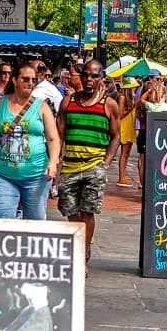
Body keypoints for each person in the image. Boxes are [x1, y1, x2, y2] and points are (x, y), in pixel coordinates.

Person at [0, 62, 61, 220]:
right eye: (26, 79)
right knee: (2, 220)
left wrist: (53, 163)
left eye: (33, 80)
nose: (30, 83)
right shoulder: (0, 105)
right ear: (14, 80)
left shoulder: (42, 107)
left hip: (36, 175)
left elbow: (53, 139)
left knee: (35, 222)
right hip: (4, 175)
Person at [57, 59, 120, 275]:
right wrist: (55, 161)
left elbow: (116, 136)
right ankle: (81, 241)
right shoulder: (67, 102)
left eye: (94, 76)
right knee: (70, 211)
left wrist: (106, 163)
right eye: (86, 75)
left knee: (87, 211)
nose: (89, 79)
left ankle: (81, 255)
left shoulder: (109, 104)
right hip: (70, 165)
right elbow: (59, 135)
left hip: (94, 165)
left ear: (101, 78)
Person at [136, 83, 167, 189]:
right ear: (164, 95)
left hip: (145, 134)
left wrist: (148, 91)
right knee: (160, 161)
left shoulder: (151, 106)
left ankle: (143, 186)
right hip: (162, 137)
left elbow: (141, 99)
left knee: (143, 162)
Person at [116, 77, 139, 186]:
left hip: (130, 125)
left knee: (127, 153)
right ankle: (121, 177)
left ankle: (123, 176)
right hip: (124, 126)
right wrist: (130, 108)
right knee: (124, 153)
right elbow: (120, 115)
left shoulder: (130, 97)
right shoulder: (122, 97)